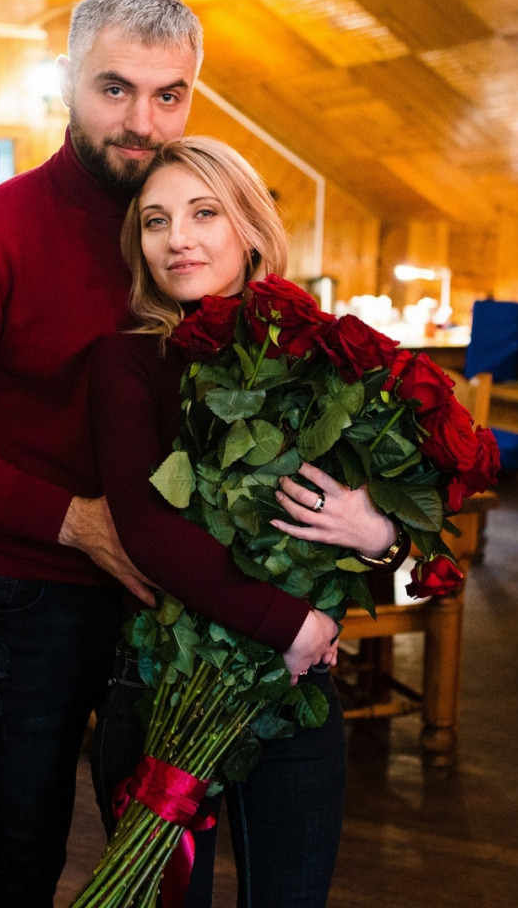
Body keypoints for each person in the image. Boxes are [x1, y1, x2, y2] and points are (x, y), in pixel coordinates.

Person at [0, 0, 204, 907]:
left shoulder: (202, 235)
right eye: (113, 89)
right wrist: (80, 524)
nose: (140, 121)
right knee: (18, 855)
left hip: (177, 602)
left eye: (167, 95)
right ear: (64, 82)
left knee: (162, 864)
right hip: (31, 598)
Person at [88, 136, 407, 907]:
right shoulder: (124, 363)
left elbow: (380, 551)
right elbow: (146, 530)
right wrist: (288, 625)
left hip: (290, 696)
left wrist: (379, 539)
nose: (178, 239)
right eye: (156, 221)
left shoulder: (321, 365)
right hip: (162, 685)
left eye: (203, 213)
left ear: (251, 231)